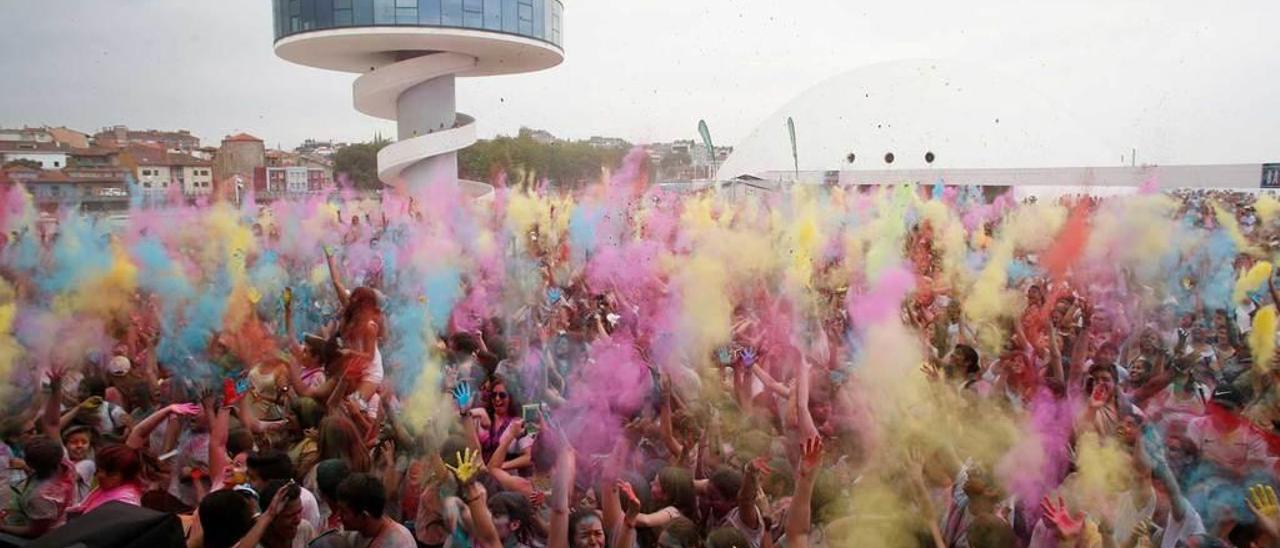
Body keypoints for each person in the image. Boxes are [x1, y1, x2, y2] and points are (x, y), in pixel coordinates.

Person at [332, 473, 416, 547]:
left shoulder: (400, 543)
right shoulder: (353, 534)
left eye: (344, 511)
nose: (339, 516)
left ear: (364, 516)